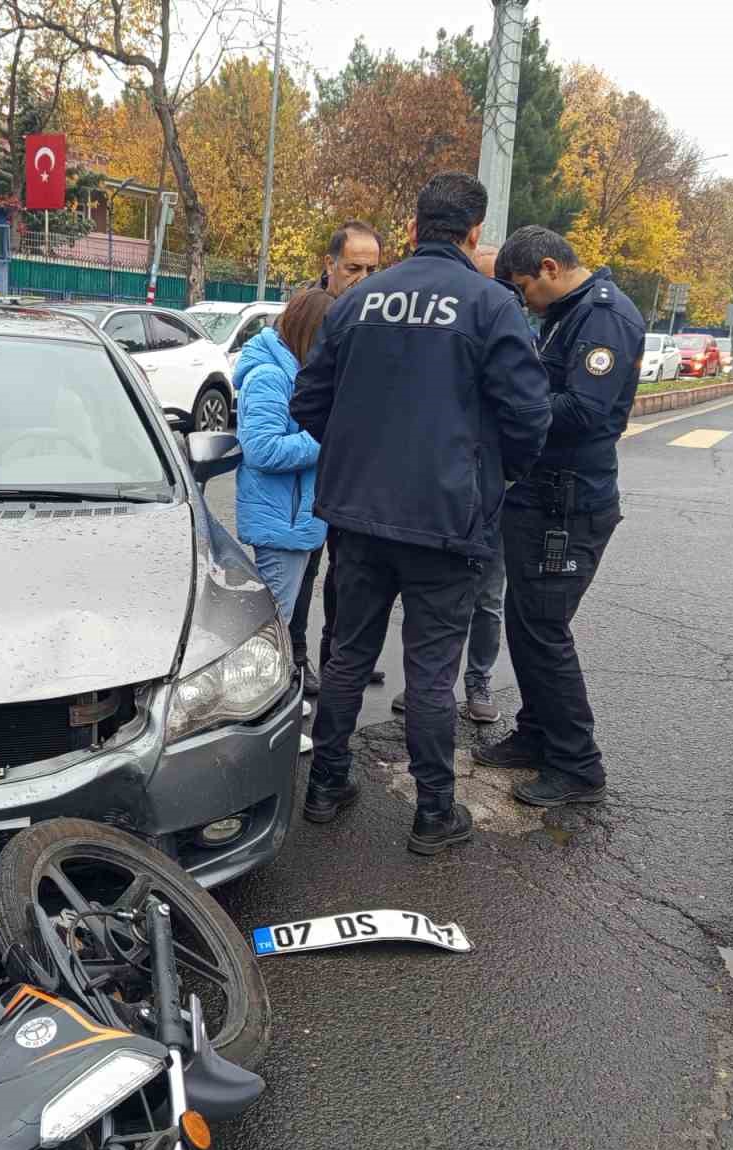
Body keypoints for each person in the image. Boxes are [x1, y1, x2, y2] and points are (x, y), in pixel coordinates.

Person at [291, 172, 551, 855]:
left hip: (357, 517)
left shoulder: (357, 301)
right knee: (432, 673)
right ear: (474, 235)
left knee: (347, 656)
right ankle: (434, 813)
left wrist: (358, 459)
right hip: (446, 520)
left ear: (411, 229)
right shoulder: (493, 306)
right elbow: (529, 417)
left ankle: (325, 785)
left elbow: (307, 402)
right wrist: (491, 476)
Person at [476, 225, 645, 807]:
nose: (523, 301)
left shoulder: (603, 319)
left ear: (549, 268)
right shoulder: (568, 313)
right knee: (527, 625)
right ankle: (538, 732)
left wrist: (510, 406)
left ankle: (578, 766)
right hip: (543, 494)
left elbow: (585, 409)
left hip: (568, 504)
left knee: (545, 630)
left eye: (523, 288)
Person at [392, 241, 507, 725]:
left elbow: (525, 414)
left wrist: (505, 473)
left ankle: (477, 679)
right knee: (430, 597)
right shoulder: (450, 332)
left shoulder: (509, 326)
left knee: (486, 597)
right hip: (443, 490)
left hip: (492, 491)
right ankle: (424, 685)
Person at [232, 288, 335, 754]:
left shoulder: (294, 370)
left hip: (295, 520)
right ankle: (272, 725)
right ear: (307, 332)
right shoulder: (271, 376)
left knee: (279, 620)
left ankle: (280, 702)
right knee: (271, 631)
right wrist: (327, 440)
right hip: (281, 523)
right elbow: (263, 449)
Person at [293, 219, 386, 695]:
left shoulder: (380, 316)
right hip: (319, 478)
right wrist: (340, 443)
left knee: (345, 580)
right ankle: (300, 659)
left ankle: (340, 658)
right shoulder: (310, 313)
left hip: (357, 482)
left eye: (373, 268)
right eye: (354, 267)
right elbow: (306, 401)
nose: (364, 279)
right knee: (305, 575)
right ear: (329, 265)